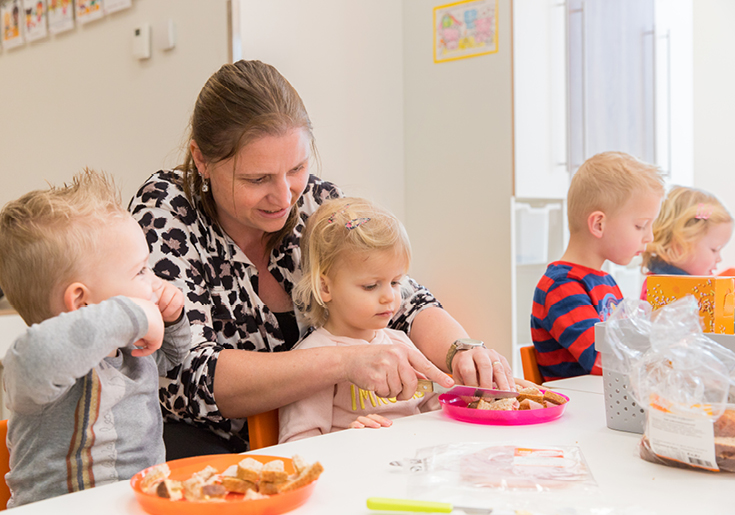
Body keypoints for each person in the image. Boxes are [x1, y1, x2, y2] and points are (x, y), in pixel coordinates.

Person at [128, 59, 514, 458]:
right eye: (256, 179)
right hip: (206, 452)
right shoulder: (167, 211)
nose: (284, 196)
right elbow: (185, 374)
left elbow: (406, 301)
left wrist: (462, 351)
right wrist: (344, 363)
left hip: (331, 446)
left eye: (296, 168)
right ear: (202, 159)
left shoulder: (316, 200)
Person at [0, 170, 190, 508]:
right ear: (82, 303)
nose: (154, 280)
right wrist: (135, 314)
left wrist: (171, 318)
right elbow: (28, 362)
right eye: (140, 270)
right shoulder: (43, 369)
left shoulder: (131, 350)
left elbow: (172, 356)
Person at [279, 198, 440, 442]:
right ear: (325, 287)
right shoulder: (313, 360)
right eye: (371, 286)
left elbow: (433, 410)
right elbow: (295, 445)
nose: (389, 297)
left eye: (395, 282)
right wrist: (348, 439)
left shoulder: (401, 343)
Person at [530, 152, 665, 382]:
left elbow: (625, 346)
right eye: (640, 225)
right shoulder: (561, 286)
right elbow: (604, 359)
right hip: (581, 406)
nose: (649, 237)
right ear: (598, 224)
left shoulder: (606, 281)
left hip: (604, 399)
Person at [639, 186, 733, 299]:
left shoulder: (688, 281)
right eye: (714, 250)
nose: (719, 259)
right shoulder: (660, 290)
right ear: (679, 245)